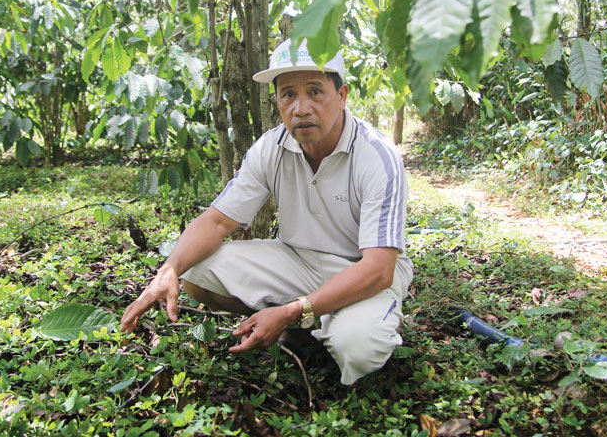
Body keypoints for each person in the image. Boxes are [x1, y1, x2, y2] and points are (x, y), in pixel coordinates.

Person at [120, 38, 413, 384]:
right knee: (195, 270)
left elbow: (379, 270)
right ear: (277, 101)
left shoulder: (377, 156)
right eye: (288, 94)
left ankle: (311, 320)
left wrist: (291, 311)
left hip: (363, 271)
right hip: (298, 261)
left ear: (342, 95)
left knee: (359, 349)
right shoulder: (271, 148)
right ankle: (308, 326)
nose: (301, 108)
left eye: (315, 92)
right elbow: (215, 221)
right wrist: (167, 271)